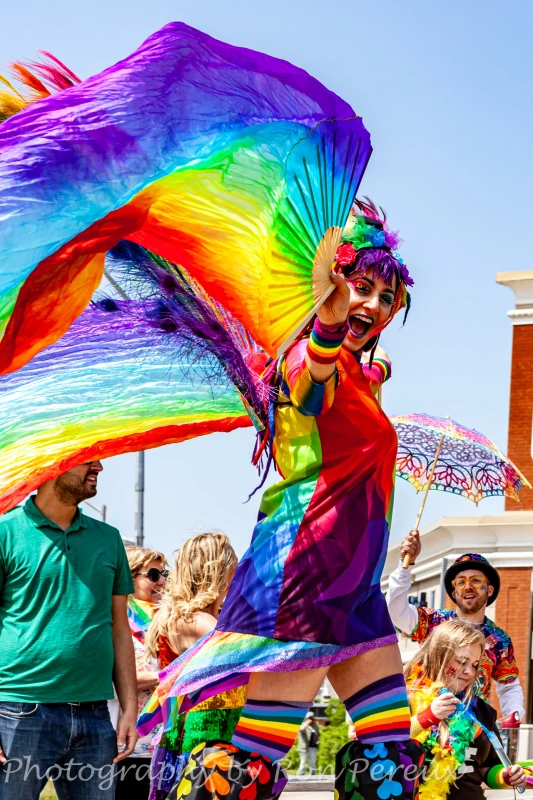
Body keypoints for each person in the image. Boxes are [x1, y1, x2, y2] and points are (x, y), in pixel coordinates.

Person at [140, 201, 425, 800]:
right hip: (309, 571)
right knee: (250, 762)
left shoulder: (357, 372)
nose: (371, 305)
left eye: (386, 298)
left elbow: (348, 391)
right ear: (331, 285)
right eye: (361, 287)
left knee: (390, 759)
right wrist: (325, 323)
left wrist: (372, 375)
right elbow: (312, 376)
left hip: (355, 584)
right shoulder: (305, 357)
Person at [0, 460, 138, 799]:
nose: (100, 466)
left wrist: (130, 707)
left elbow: (120, 631)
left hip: (94, 714)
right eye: (88, 459)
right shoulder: (5, 532)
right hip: (18, 710)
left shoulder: (109, 538)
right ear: (51, 464)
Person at [143, 532, 243, 800]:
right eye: (234, 565)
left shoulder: (194, 617)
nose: (239, 572)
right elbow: (244, 654)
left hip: (207, 728)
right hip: (206, 732)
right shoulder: (195, 620)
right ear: (218, 571)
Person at [386, 530, 525, 718]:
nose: (468, 587)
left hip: (468, 731)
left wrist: (514, 712)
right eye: (461, 582)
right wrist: (405, 566)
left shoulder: (499, 640)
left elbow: (509, 685)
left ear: (490, 589)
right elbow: (395, 610)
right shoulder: (433, 622)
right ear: (454, 592)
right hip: (426, 723)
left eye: (476, 581)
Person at [405, 619, 531, 799]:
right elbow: (380, 741)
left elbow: (487, 768)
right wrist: (428, 717)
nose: (469, 672)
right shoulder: (405, 699)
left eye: (474, 664)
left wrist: (504, 777)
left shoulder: (482, 713)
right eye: (461, 661)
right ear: (439, 655)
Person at [114, 545, 169, 800]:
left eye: (164, 573)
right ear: (129, 577)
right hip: (123, 741)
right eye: (154, 575)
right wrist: (173, 678)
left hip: (159, 742)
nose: (163, 581)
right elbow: (117, 678)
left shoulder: (166, 621)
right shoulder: (114, 622)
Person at [297, 712, 320, 776]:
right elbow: (301, 729)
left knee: (313, 761)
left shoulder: (315, 725)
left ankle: (312, 774)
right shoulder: (303, 724)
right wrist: (306, 723)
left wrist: (318, 741)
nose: (310, 719)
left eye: (311, 718)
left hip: (313, 746)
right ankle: (301, 773)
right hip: (304, 747)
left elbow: (318, 735)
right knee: (303, 761)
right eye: (309, 718)